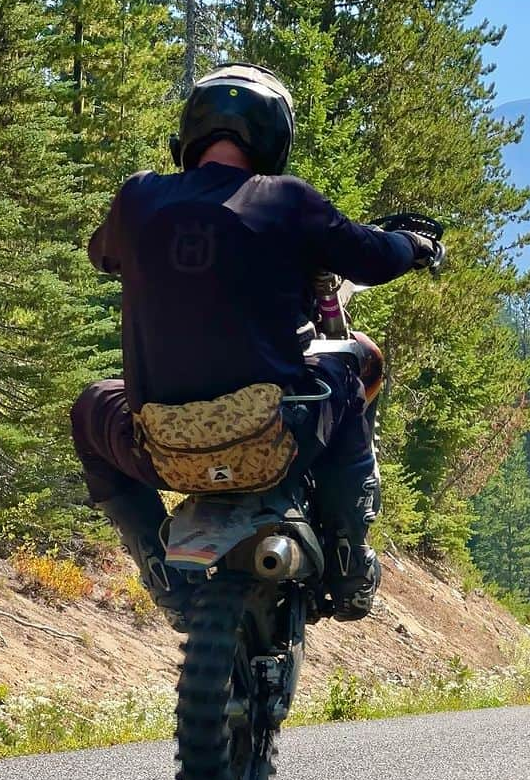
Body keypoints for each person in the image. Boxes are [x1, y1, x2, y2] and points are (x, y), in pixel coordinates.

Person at [70, 64, 440, 620]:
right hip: (276, 435)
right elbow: (376, 255)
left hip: (162, 447)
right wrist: (415, 243)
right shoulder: (287, 200)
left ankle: (158, 565)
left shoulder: (138, 198)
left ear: (191, 133)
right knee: (354, 365)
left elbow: (102, 255)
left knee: (89, 407)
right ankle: (348, 552)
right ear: (274, 137)